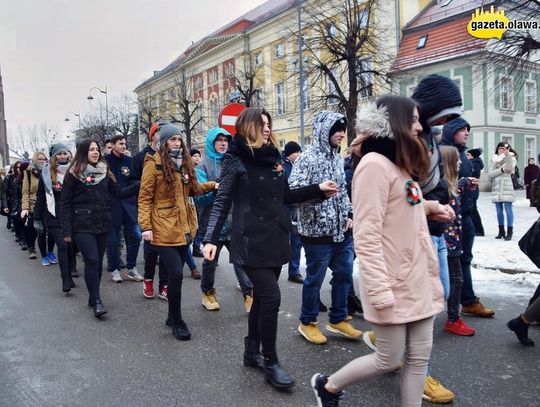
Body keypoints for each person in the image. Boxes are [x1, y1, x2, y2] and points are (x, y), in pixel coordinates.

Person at [311, 95, 445, 407]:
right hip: (392, 281)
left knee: (419, 359)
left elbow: (404, 204)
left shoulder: (399, 164)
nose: (418, 126)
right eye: (412, 119)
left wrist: (433, 207)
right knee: (388, 358)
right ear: (394, 122)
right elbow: (367, 233)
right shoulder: (373, 165)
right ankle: (328, 387)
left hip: (418, 278)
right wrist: (380, 290)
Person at [203, 107, 338, 389]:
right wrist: (210, 239)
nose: (267, 128)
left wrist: (317, 190)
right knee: (271, 297)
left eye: (268, 123)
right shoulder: (235, 159)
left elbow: (285, 195)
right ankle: (271, 361)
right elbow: (222, 200)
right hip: (250, 240)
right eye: (261, 124)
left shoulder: (273, 156)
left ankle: (251, 352)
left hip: (276, 238)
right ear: (247, 126)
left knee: (263, 299)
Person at [138, 123, 217, 340]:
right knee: (175, 275)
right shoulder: (153, 166)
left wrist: (212, 185)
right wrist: (145, 227)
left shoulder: (184, 164)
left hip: (183, 227)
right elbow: (144, 198)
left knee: (175, 276)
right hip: (163, 227)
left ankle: (172, 317)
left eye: (179, 139)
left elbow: (193, 189)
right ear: (163, 143)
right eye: (172, 139)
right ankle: (177, 320)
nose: (177, 143)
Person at [289, 111, 362, 345]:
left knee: (343, 275)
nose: (341, 134)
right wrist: (318, 190)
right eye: (336, 129)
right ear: (324, 131)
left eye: (343, 129)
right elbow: (291, 193)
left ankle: (338, 319)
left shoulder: (337, 158)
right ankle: (307, 322)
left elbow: (342, 193)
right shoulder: (307, 158)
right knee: (315, 279)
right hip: (316, 233)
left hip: (341, 231)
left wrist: (350, 214)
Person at [60, 140, 139, 317]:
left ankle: (92, 294)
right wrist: (66, 230)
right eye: (91, 150)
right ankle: (97, 300)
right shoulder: (73, 174)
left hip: (103, 222)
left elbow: (118, 193)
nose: (95, 152)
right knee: (92, 260)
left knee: (97, 264)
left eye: (96, 149)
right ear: (83, 152)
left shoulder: (104, 171)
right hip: (81, 225)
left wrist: (140, 184)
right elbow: (65, 203)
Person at [195, 128, 253, 312]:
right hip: (212, 224)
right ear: (211, 143)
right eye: (219, 140)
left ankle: (249, 295)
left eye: (225, 140)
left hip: (235, 222)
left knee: (241, 261)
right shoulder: (202, 167)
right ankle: (208, 293)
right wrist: (220, 190)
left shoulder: (235, 162)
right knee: (210, 262)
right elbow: (199, 196)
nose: (223, 143)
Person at [441, 118, 494, 319]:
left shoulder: (462, 153)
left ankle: (468, 301)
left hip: (467, 215)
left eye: (467, 130)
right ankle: (460, 305)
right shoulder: (445, 152)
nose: (467, 133)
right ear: (451, 131)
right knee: (455, 263)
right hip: (453, 219)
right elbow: (445, 187)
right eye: (462, 129)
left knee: (464, 260)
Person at [439, 145, 476, 336]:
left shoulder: (450, 184)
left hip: (452, 241)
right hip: (447, 242)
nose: (461, 161)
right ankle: (453, 319)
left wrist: (466, 182)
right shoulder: (443, 186)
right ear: (450, 163)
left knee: (451, 279)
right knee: (456, 279)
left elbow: (457, 188)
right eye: (458, 160)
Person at [131, 123, 170, 299]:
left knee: (166, 252)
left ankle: (164, 285)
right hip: (150, 210)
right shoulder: (142, 157)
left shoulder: (172, 156)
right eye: (160, 133)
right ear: (152, 135)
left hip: (168, 213)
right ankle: (148, 281)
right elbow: (134, 183)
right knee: (151, 251)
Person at [34, 144, 77, 292]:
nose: (63, 156)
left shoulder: (75, 171)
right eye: (59, 154)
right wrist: (37, 218)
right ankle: (65, 279)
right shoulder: (46, 173)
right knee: (63, 245)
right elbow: (40, 197)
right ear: (54, 157)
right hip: (53, 215)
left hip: (72, 215)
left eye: (65, 153)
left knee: (71, 245)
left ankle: (71, 271)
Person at [105, 135, 143, 282]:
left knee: (135, 236)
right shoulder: (105, 162)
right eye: (121, 143)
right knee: (113, 241)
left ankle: (131, 267)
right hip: (112, 206)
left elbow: (135, 179)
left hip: (129, 205)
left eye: (125, 144)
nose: (124, 146)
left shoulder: (129, 161)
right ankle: (115, 269)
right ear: (112, 145)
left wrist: (132, 186)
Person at [20, 152, 55, 262]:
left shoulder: (50, 170)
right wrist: (25, 208)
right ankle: (42, 254)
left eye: (44, 159)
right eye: (39, 159)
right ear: (35, 160)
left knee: (52, 230)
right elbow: (25, 192)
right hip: (35, 205)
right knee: (41, 231)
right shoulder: (29, 173)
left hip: (49, 204)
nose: (42, 161)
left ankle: (50, 252)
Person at [282, 140, 304, 284]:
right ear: (291, 153)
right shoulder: (281, 166)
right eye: (297, 152)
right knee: (282, 240)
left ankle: (294, 271)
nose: (300, 155)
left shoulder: (299, 165)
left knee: (296, 241)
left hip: (296, 207)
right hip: (283, 208)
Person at [488, 142, 516, 241]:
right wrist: (501, 170)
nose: (502, 150)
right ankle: (501, 231)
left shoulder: (511, 158)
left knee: (508, 209)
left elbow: (509, 169)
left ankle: (510, 231)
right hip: (496, 186)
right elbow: (490, 174)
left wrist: (507, 155)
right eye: (500, 148)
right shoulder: (494, 160)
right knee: (498, 210)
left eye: (504, 148)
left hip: (507, 186)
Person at [467, 148, 485, 236]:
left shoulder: (475, 164)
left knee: (473, 210)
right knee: (472, 210)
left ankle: (479, 230)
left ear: (472, 156)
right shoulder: (474, 163)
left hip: (473, 190)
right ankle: (476, 229)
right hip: (472, 189)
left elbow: (475, 175)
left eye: (468, 155)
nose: (467, 156)